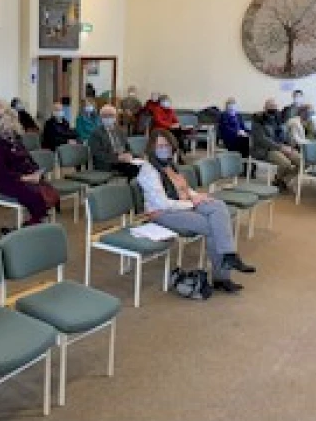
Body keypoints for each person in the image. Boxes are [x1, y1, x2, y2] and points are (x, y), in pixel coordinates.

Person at [136, 129, 255, 293]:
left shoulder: (170, 165)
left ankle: (228, 257)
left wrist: (198, 196)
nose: (164, 149)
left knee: (218, 206)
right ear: (152, 148)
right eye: (160, 146)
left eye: (167, 146)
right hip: (162, 213)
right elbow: (162, 203)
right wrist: (192, 203)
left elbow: (185, 188)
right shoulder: (148, 171)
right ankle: (223, 275)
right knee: (212, 226)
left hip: (183, 204)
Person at [0, 109, 58, 230]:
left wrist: (36, 172)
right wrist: (26, 178)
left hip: (27, 177)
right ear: (2, 130)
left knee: (49, 190)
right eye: (8, 131)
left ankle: (35, 220)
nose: (10, 134)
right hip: (9, 182)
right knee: (35, 194)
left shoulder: (18, 142)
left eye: (12, 131)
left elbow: (29, 160)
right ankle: (32, 223)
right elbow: (2, 174)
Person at [250, 98, 301, 191]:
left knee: (302, 161)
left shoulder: (278, 119)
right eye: (271, 106)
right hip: (265, 149)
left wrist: (290, 146)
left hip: (281, 147)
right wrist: (281, 147)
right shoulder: (258, 120)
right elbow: (262, 139)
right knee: (286, 164)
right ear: (265, 107)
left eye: (275, 106)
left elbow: (285, 134)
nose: (273, 108)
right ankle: (279, 181)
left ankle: (282, 180)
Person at [88, 104, 141, 180]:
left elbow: (127, 147)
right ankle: (128, 189)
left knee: (143, 165)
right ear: (101, 118)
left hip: (123, 160)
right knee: (134, 169)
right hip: (108, 163)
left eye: (111, 115)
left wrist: (129, 155)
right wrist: (118, 158)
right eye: (105, 116)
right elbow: (98, 154)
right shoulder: (96, 133)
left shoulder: (120, 131)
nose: (108, 118)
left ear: (115, 117)